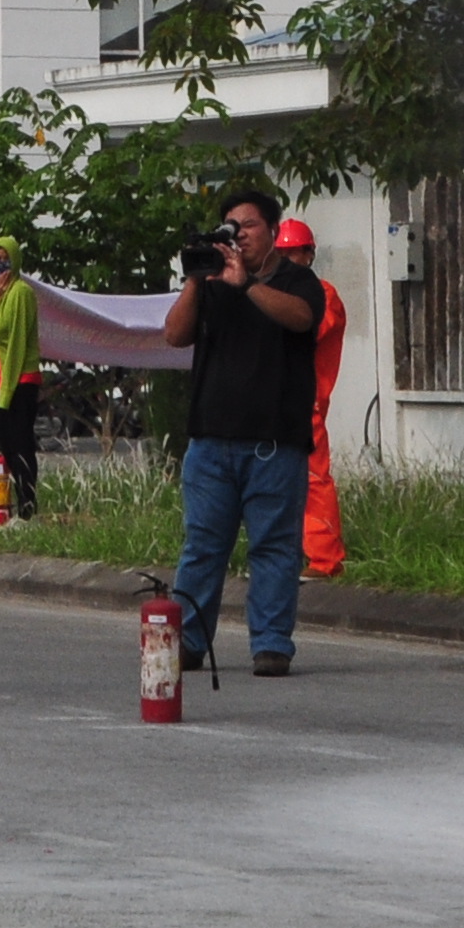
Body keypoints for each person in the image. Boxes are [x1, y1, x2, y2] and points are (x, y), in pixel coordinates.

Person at [160, 186, 324, 679]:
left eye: (248, 226)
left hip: (274, 445)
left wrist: (247, 283)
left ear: (273, 231)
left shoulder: (299, 281)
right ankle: (189, 641)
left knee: (274, 547)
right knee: (203, 544)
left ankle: (271, 645)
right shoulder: (212, 284)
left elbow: (302, 319)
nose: (239, 235)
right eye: (231, 226)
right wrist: (196, 277)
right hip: (211, 444)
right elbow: (174, 334)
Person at [275, 216, 350, 578]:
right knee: (272, 482)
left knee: (313, 481)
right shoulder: (273, 294)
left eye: (295, 253)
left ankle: (325, 559)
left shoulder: (324, 295)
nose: (289, 260)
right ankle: (283, 557)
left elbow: (304, 334)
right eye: (283, 253)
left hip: (305, 403)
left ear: (309, 255)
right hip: (274, 402)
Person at [0, 235, 42, 520]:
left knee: (21, 444)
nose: (0, 265)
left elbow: (17, 343)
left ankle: (28, 507)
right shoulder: (2, 295)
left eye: (5, 259)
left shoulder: (21, 293)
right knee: (6, 443)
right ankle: (10, 508)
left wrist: (8, 389)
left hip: (21, 379)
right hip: (7, 380)